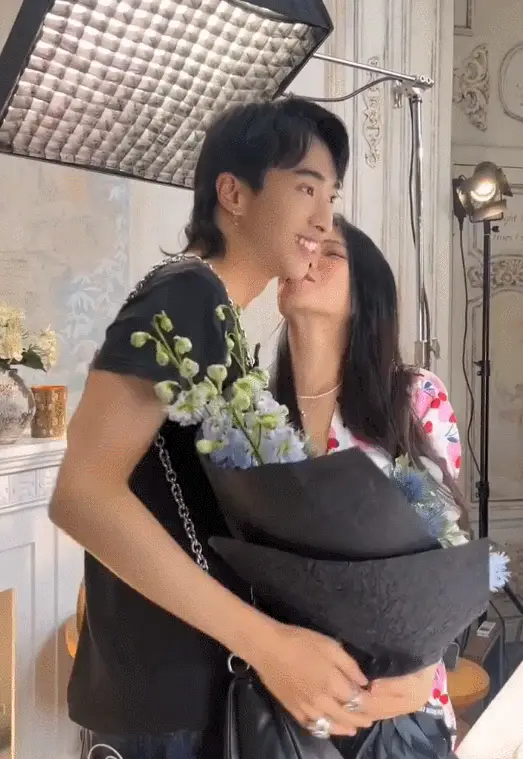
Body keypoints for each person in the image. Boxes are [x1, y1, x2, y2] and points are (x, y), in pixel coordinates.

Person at [50, 100, 438, 759]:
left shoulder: (221, 324)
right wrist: (267, 644)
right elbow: (82, 495)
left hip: (202, 697)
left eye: (331, 196)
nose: (323, 219)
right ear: (233, 194)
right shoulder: (187, 294)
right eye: (305, 189)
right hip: (164, 704)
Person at [274, 213, 468, 754]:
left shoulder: (412, 397)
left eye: (330, 252)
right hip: (289, 701)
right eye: (301, 247)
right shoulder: (259, 417)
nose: (307, 258)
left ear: (367, 296)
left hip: (398, 701)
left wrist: (422, 667)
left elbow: (444, 555)